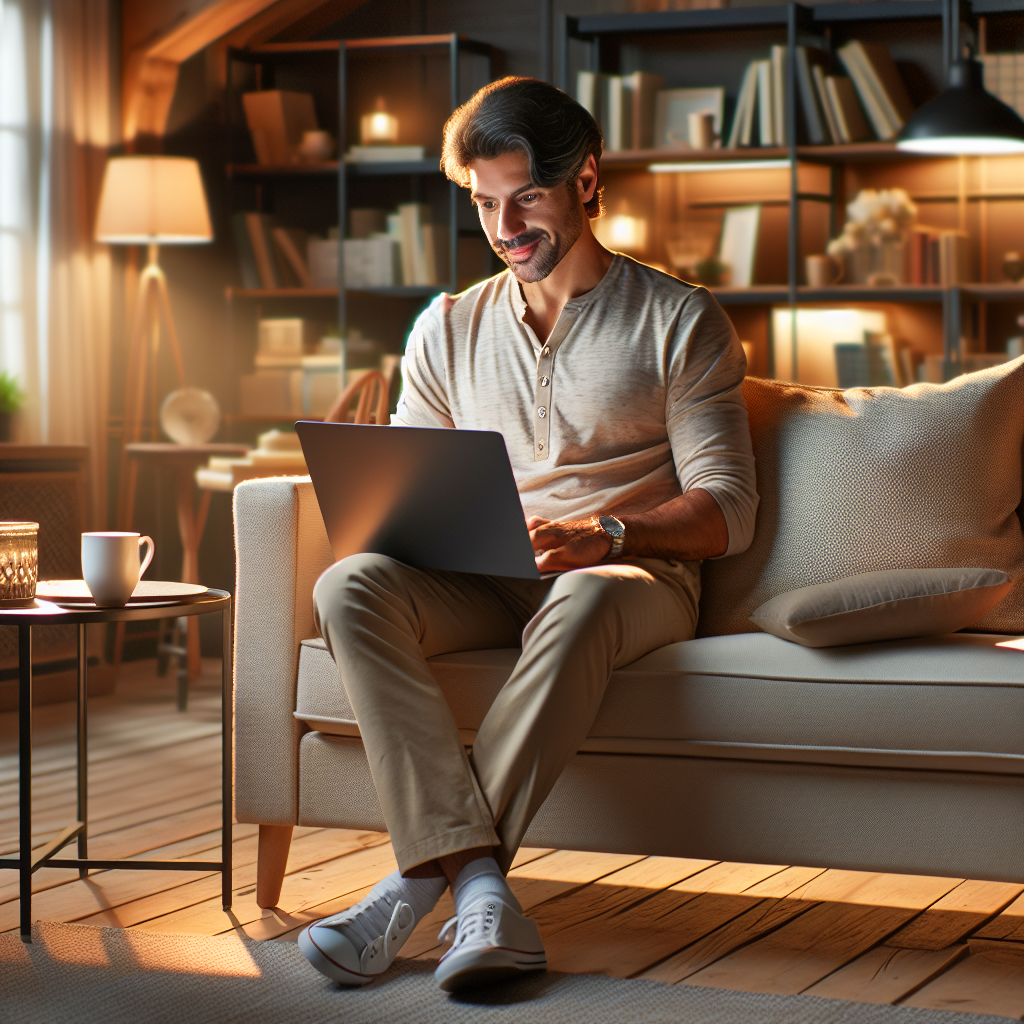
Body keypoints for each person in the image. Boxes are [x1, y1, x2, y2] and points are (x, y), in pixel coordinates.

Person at [298, 77, 758, 993]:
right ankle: (473, 883)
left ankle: (411, 888)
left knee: (584, 595)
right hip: (487, 573)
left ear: (586, 179)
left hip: (632, 576)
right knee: (347, 584)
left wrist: (610, 532)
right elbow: (408, 483)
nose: (505, 227)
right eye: (483, 203)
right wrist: (398, 520)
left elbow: (728, 507)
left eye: (526, 198)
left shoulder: (679, 318)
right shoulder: (448, 325)